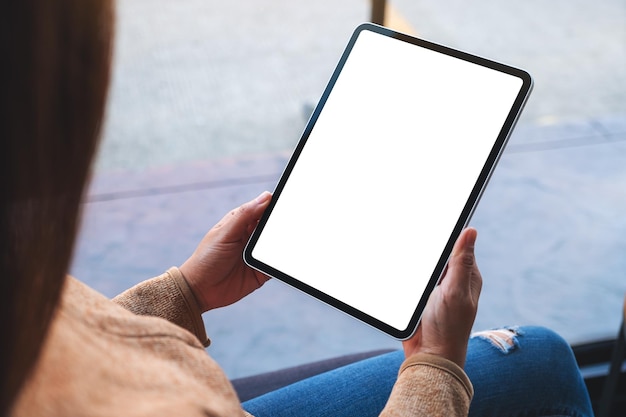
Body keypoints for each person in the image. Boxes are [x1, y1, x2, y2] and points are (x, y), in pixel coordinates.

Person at [0, 0, 594, 416]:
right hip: (174, 394)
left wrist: (181, 294)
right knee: (541, 360)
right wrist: (437, 366)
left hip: (146, 380)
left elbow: (58, 349)